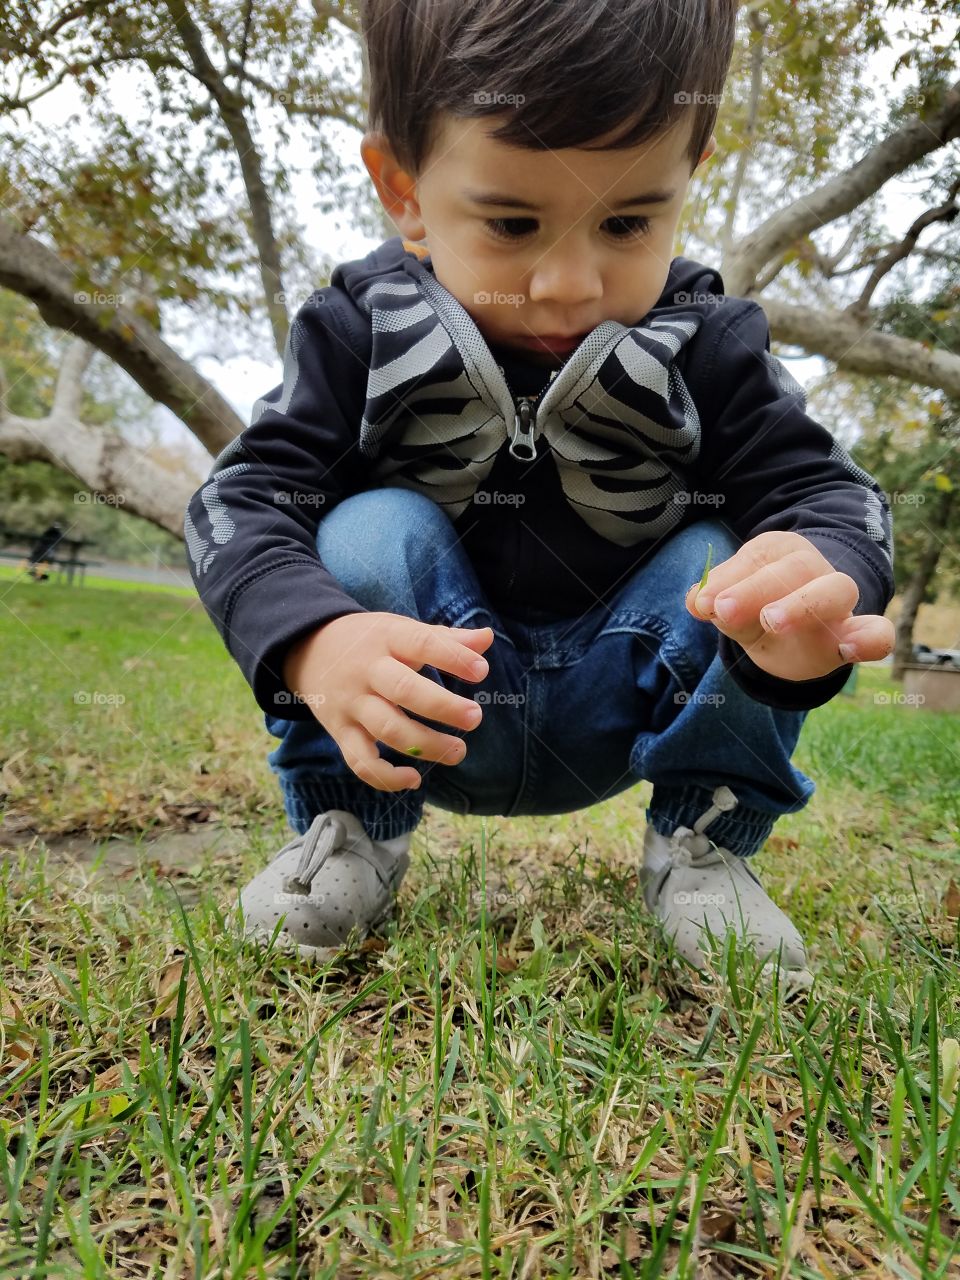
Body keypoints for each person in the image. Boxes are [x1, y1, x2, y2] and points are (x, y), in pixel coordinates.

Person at [184, 0, 895, 984]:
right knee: (368, 528)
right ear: (405, 190)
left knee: (733, 558)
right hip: (423, 706)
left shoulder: (712, 339)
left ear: (691, 167)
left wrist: (828, 576)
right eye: (513, 222)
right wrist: (312, 638)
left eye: (629, 219)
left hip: (628, 692)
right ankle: (351, 830)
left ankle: (706, 849)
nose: (568, 282)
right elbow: (241, 499)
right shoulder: (358, 327)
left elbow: (830, 493)